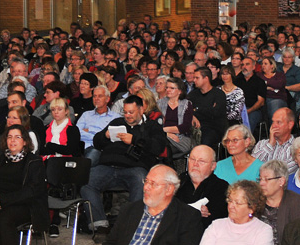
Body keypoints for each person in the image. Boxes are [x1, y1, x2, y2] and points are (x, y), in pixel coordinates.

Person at [83, 95, 169, 233]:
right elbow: (96, 142)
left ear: (141, 110)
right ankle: (99, 224)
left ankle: (131, 225)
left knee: (142, 183)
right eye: (125, 112)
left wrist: (134, 139)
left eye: (131, 112)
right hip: (107, 166)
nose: (127, 116)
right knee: (86, 180)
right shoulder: (117, 122)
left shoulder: (151, 126)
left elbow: (158, 147)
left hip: (134, 168)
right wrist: (105, 136)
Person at [258, 159, 300, 245]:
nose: (261, 183)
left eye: (266, 179)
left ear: (281, 181)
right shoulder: (255, 201)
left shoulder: (296, 203)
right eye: (260, 179)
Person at [175, 144, 229, 228]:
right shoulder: (178, 182)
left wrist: (206, 215)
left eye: (201, 161)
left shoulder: (222, 187)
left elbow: (221, 221)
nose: (195, 164)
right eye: (192, 159)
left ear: (213, 166)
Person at [188, 67, 228, 150]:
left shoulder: (218, 94)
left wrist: (197, 109)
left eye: (197, 78)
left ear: (206, 78)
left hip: (213, 128)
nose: (194, 80)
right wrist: (192, 116)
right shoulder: (193, 94)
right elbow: (185, 109)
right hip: (194, 127)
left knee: (205, 142)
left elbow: (215, 113)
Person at [157, 77, 193, 159]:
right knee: (160, 146)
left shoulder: (186, 104)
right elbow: (154, 123)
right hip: (162, 136)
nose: (168, 90)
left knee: (163, 149)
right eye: (167, 87)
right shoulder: (159, 103)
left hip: (181, 138)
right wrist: (167, 134)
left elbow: (185, 127)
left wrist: (164, 130)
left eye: (172, 88)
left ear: (180, 91)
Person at [252, 107, 297, 173]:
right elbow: (252, 167)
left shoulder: (297, 147)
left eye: (278, 122)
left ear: (290, 125)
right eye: (273, 121)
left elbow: (282, 172)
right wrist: (270, 145)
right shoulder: (261, 144)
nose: (274, 126)